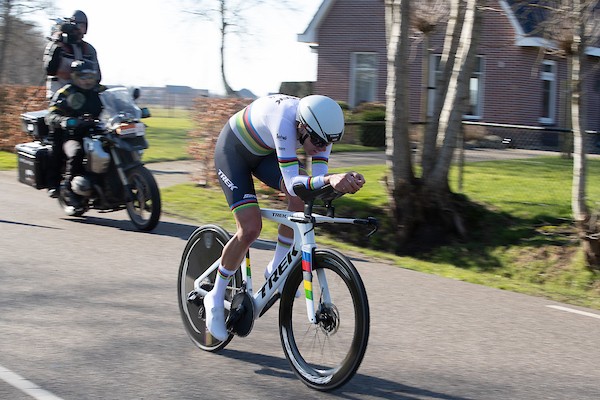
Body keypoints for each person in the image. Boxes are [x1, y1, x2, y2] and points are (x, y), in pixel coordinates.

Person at [204, 94, 366, 340]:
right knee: (250, 229)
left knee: (303, 198)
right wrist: (329, 179)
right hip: (234, 151)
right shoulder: (283, 121)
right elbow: (292, 184)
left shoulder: (322, 130)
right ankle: (215, 297)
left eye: (328, 143)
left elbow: (315, 186)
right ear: (302, 127)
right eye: (318, 142)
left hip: (264, 153)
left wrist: (340, 183)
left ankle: (277, 266)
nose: (322, 148)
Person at [46, 60, 104, 215]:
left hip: (99, 132)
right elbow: (51, 115)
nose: (87, 80)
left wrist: (130, 110)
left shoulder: (100, 90)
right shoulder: (66, 93)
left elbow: (115, 101)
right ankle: (67, 188)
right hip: (73, 136)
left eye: (90, 76)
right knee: (77, 152)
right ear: (74, 77)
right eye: (82, 77)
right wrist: (63, 120)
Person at [44, 10, 101, 100]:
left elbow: (97, 76)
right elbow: (50, 70)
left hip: (81, 95)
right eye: (77, 26)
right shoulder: (56, 45)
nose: (79, 30)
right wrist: (59, 45)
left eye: (82, 26)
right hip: (59, 94)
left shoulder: (89, 49)